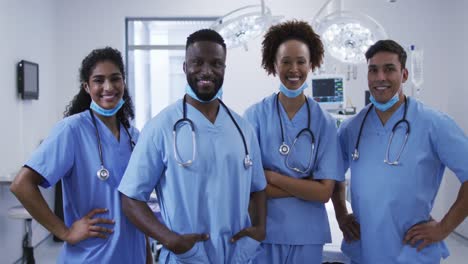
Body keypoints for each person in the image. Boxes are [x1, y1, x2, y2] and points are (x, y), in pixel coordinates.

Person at [118, 28, 267, 263]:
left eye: (216, 63)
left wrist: (259, 229)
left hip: (236, 255)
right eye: (197, 62)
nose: (206, 71)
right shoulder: (161, 126)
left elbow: (258, 187)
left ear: (224, 70)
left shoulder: (242, 129)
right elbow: (130, 198)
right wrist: (170, 240)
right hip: (186, 257)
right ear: (185, 67)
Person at [332, 39, 468, 263]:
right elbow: (333, 174)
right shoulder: (352, 127)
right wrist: (341, 215)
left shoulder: (433, 123)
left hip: (411, 250)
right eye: (373, 70)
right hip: (363, 250)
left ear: (404, 75)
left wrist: (444, 228)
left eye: (389, 69)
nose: (380, 77)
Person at [10, 47, 148, 263]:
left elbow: (138, 203)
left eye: (115, 79)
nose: (108, 87)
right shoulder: (72, 130)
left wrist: (147, 257)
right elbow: (21, 184)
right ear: (87, 86)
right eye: (98, 80)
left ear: (123, 82)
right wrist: (64, 232)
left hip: (133, 255)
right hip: (92, 256)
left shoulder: (133, 136)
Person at [244, 20, 344, 264]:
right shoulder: (254, 116)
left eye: (301, 61)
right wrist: (303, 186)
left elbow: (323, 193)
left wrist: (272, 176)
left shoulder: (324, 122)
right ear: (274, 64)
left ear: (311, 64)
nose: (294, 69)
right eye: (286, 61)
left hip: (308, 235)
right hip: (263, 231)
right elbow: (250, 186)